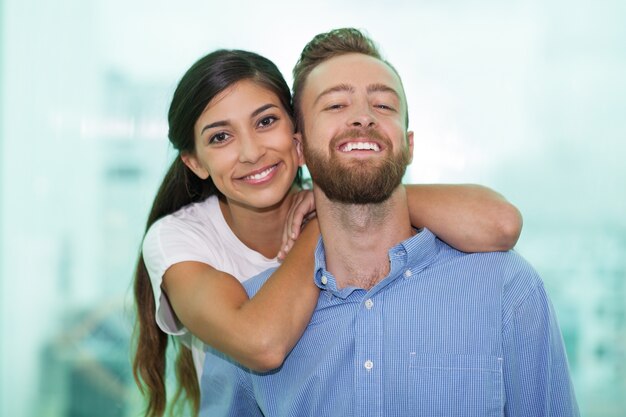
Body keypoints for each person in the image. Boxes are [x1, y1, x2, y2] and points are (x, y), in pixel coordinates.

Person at [198, 28, 579, 416]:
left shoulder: (507, 288)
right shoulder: (247, 321)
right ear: (300, 149)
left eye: (382, 105)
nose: (363, 117)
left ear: (409, 144)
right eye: (335, 106)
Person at [132, 49, 523, 417]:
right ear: (194, 162)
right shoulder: (179, 239)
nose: (251, 152)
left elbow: (501, 223)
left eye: (266, 121)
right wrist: (322, 220)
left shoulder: (340, 208)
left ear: (297, 138)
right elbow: (261, 343)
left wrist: (344, 199)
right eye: (220, 137)